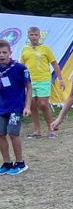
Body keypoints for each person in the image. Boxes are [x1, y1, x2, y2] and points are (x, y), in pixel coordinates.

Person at [19, 25, 63, 138]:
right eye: (31, 35)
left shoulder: (45, 48)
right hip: (30, 81)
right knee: (32, 105)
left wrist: (61, 79)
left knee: (43, 104)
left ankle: (51, 129)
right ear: (28, 36)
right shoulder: (24, 49)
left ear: (39, 36)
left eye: (36, 35)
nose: (34, 37)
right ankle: (37, 131)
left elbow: (54, 64)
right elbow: (21, 66)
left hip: (43, 79)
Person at [0, 39, 31, 175]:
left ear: (10, 52)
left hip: (16, 107)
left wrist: (27, 106)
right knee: (1, 134)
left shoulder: (20, 68)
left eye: (4, 52)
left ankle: (20, 163)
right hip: (2, 107)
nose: (1, 55)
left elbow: (29, 87)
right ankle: (7, 163)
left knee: (13, 133)